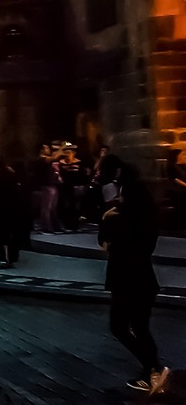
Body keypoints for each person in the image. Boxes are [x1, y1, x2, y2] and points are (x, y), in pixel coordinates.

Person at [99, 165, 171, 395]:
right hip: (144, 277)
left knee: (119, 326)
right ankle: (152, 373)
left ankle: (154, 368)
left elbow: (106, 247)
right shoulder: (148, 215)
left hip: (123, 277)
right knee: (141, 326)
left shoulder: (114, 218)